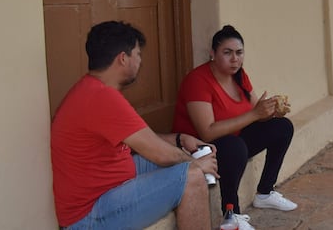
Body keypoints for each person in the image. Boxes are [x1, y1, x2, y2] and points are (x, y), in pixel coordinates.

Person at [51, 21, 218, 230]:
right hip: (91, 214)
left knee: (182, 158)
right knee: (192, 176)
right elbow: (160, 154)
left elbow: (142, 138)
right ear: (123, 58)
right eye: (137, 54)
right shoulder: (101, 98)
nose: (140, 61)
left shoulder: (93, 90)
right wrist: (195, 165)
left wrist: (180, 139)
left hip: (111, 184)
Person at [173, 25, 297, 230]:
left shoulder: (239, 75)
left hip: (234, 138)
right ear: (212, 54)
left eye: (239, 53)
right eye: (227, 53)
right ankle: (231, 215)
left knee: (282, 127)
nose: (235, 59)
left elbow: (256, 113)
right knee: (234, 147)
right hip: (200, 147)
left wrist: (271, 112)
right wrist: (255, 114)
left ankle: (265, 193)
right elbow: (207, 131)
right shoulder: (197, 80)